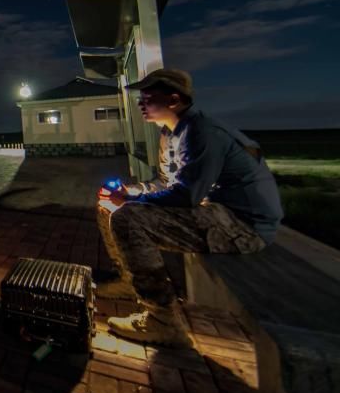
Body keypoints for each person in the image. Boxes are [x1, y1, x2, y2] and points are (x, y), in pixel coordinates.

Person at [95, 68, 283, 347]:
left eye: (148, 98)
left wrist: (133, 201)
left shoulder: (202, 132)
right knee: (107, 205)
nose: (141, 103)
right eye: (140, 98)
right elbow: (165, 183)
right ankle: (130, 281)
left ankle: (163, 320)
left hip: (243, 226)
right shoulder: (170, 132)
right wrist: (130, 192)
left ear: (173, 100)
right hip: (213, 211)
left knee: (129, 218)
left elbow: (186, 196)